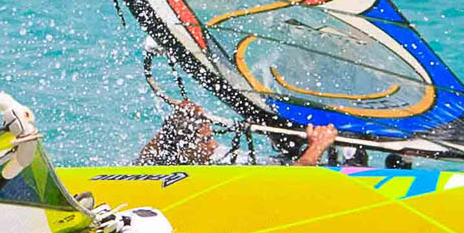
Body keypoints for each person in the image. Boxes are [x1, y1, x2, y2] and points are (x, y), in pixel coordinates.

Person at [135, 100, 340, 168]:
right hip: (295, 169)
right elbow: (292, 181)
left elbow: (147, 156)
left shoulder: (164, 157)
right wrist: (317, 147)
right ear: (184, 150)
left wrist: (173, 125)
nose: (212, 144)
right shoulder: (215, 171)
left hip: (285, 160)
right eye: (206, 140)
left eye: (210, 136)